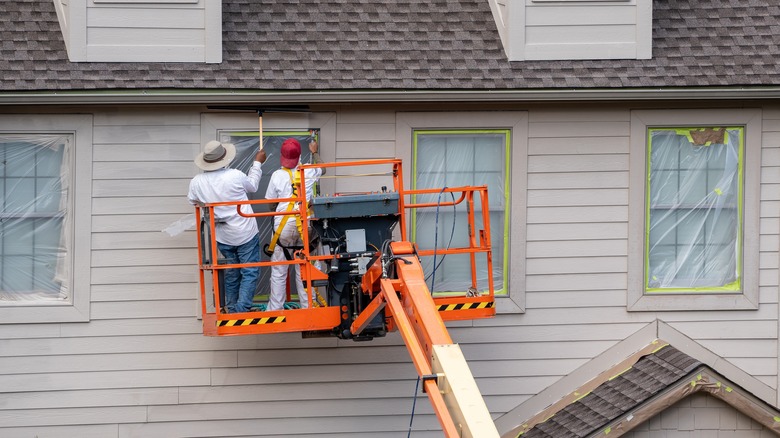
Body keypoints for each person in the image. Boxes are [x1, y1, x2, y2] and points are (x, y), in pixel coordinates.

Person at [188, 140, 266, 313]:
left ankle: (232, 307)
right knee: (250, 271)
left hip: (222, 234)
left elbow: (193, 200)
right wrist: (257, 163)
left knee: (231, 271)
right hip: (245, 231)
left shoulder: (196, 182)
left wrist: (212, 202)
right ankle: (241, 308)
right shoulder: (235, 176)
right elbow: (253, 186)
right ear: (224, 158)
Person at [264, 138, 324, 311]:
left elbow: (270, 204)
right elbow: (324, 168)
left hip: (283, 228)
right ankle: (308, 307)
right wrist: (314, 152)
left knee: (279, 269)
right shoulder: (309, 171)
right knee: (306, 268)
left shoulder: (277, 175)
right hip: (307, 227)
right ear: (299, 155)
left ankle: (275, 308)